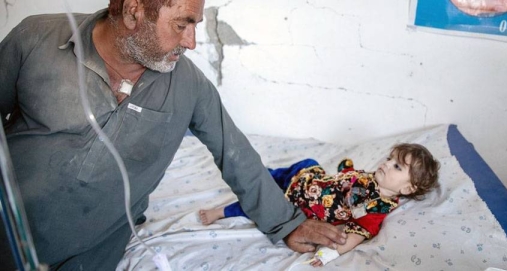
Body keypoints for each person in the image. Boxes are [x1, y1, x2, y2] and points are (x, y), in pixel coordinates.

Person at [0, 0, 346, 269]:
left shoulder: (189, 85)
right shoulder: (36, 39)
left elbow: (235, 153)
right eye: (182, 24)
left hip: (91, 245)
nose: (192, 42)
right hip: (9, 225)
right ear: (134, 12)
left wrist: (287, 223)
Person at [199, 143, 440, 266]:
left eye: (397, 167)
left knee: (262, 201)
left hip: (302, 204)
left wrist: (327, 255)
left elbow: (355, 236)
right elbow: (350, 180)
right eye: (389, 159)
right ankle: (258, 173)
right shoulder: (375, 177)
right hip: (309, 178)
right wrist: (346, 168)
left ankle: (220, 212)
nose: (386, 164)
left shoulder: (377, 210)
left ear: (407, 189)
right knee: (283, 171)